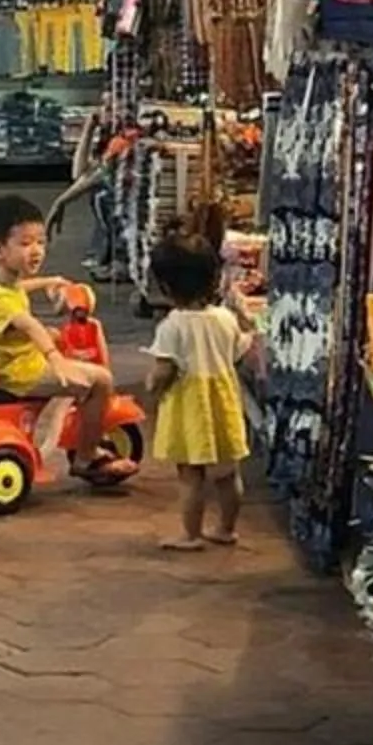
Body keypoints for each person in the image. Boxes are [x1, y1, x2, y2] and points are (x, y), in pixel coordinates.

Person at [0, 194, 134, 487]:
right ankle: (86, 457)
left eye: (41, 242)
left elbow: (17, 289)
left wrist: (49, 281)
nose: (37, 251)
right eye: (26, 243)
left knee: (55, 334)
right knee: (101, 381)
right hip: (17, 372)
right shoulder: (2, 300)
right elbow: (29, 325)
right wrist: (54, 358)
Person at [142, 230, 256, 552]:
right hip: (223, 399)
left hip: (188, 404)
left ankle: (190, 534)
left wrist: (152, 386)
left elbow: (164, 371)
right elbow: (239, 351)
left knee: (190, 474)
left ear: (165, 287)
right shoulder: (224, 318)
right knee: (226, 472)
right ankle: (226, 528)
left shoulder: (172, 326)